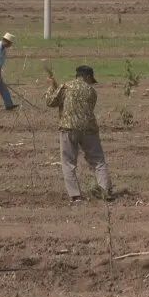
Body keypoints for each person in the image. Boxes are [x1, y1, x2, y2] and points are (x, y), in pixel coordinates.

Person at [46, 65, 112, 203]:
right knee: (99, 161)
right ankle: (105, 191)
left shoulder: (66, 87)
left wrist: (51, 87)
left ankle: (75, 196)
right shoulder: (92, 91)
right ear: (87, 77)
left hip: (68, 128)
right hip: (89, 130)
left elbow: (51, 102)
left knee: (68, 163)